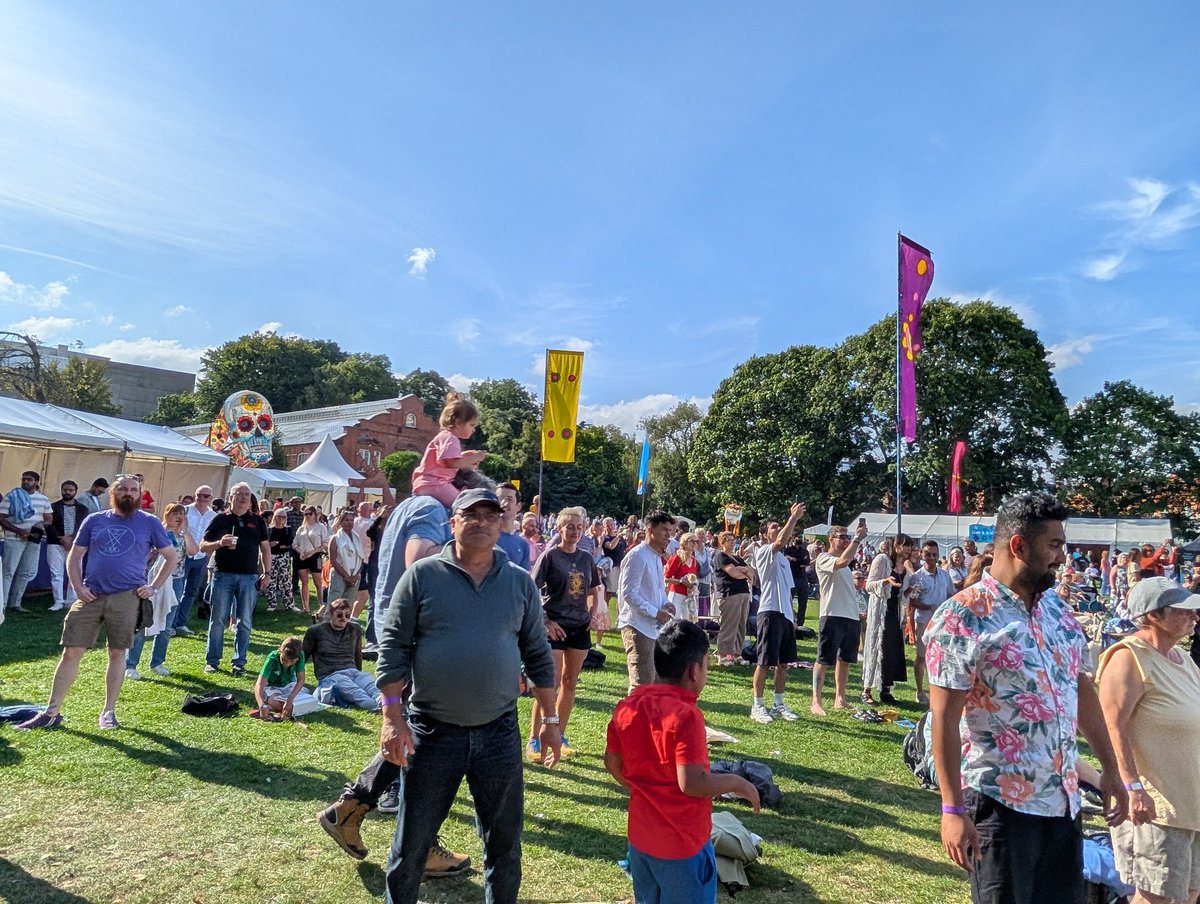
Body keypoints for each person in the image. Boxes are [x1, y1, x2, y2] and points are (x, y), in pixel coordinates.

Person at [925, 491, 1127, 903]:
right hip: (1001, 805)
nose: (1061, 557)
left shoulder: (1056, 608)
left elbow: (1081, 689)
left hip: (1062, 801)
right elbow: (944, 719)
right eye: (1054, 545)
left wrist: (1110, 769)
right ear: (1019, 545)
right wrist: (951, 810)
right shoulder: (962, 616)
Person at [373, 487, 562, 904]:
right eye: (470, 514)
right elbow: (394, 648)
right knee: (412, 842)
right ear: (452, 523)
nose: (480, 521)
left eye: (490, 515)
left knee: (505, 844)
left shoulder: (518, 583)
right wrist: (391, 716)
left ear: (502, 523)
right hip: (432, 731)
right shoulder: (422, 576)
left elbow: (537, 654)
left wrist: (550, 722)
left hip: (498, 733)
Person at [604, 620, 761, 904]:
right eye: (707, 664)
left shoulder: (627, 706)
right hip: (682, 844)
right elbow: (692, 783)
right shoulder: (686, 716)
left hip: (640, 841)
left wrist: (644, 789)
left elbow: (613, 763)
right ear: (694, 670)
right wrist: (738, 783)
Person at [15, 476, 177, 731]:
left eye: (133, 490)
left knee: (116, 653)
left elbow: (170, 557)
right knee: (71, 651)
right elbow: (75, 555)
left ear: (139, 494)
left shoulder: (150, 523)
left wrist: (153, 587)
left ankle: (108, 712)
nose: (128, 493)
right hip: (92, 595)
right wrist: (78, 587)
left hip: (127, 596)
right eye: (122, 488)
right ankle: (51, 712)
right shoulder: (95, 520)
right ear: (113, 492)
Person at [1097, 577, 1200, 904]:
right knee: (1154, 895)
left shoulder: (1183, 660)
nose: (1194, 617)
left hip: (1190, 802)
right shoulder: (1129, 657)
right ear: (1154, 615)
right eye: (1185, 612)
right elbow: (1112, 725)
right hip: (1155, 804)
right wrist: (1132, 787)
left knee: (1188, 893)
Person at [527, 506, 605, 762]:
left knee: (570, 682)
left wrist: (594, 614)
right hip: (555, 626)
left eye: (578, 527)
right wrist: (546, 620)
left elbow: (595, 588)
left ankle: (559, 734)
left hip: (579, 626)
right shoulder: (549, 556)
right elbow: (531, 591)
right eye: (569, 526)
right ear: (559, 528)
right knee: (548, 684)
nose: (574, 531)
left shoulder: (586, 557)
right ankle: (535, 739)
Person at [201, 482, 270, 677]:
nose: (243, 497)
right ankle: (212, 661)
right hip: (223, 575)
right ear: (231, 497)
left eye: (247, 494)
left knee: (245, 621)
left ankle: (239, 662)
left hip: (249, 577)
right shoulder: (220, 520)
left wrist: (267, 573)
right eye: (239, 494)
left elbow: (265, 549)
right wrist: (219, 543)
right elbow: (202, 546)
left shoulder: (257, 521)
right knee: (217, 620)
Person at [749, 502, 806, 724]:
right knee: (764, 662)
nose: (778, 528)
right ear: (764, 535)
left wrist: (791, 617)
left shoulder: (782, 559)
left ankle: (778, 704)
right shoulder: (764, 551)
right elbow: (781, 540)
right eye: (773, 527)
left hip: (784, 615)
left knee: (783, 663)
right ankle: (758, 706)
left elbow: (789, 590)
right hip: (769, 611)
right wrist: (793, 518)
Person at [126, 503, 196, 679]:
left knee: (167, 623)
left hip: (176, 582)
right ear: (166, 515)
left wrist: (186, 531)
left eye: (182, 513)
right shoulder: (157, 533)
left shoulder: (183, 535)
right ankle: (131, 665)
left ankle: (157, 662)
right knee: (143, 622)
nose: (178, 516)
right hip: (151, 581)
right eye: (175, 513)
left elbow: (194, 551)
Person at [811, 522, 868, 716]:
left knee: (845, 660)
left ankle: (840, 698)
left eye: (847, 537)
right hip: (832, 614)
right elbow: (842, 561)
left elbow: (845, 561)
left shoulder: (846, 563)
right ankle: (816, 701)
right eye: (842, 537)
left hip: (850, 616)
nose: (846, 540)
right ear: (831, 539)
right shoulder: (824, 559)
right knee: (824, 659)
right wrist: (858, 539)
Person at [617, 510, 677, 690]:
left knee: (656, 680)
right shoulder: (637, 555)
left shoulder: (656, 557)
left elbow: (656, 590)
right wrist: (655, 612)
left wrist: (666, 603)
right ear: (650, 530)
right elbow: (629, 593)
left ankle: (651, 718)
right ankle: (631, 718)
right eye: (664, 530)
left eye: (670, 530)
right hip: (637, 626)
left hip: (654, 627)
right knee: (642, 682)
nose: (669, 534)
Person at [862, 534, 915, 707]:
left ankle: (886, 690)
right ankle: (866, 690)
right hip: (880, 612)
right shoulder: (882, 560)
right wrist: (884, 581)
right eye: (906, 546)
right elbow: (869, 585)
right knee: (876, 647)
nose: (909, 550)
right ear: (896, 545)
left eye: (911, 547)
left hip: (894, 613)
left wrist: (909, 591)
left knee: (891, 650)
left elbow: (901, 595)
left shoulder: (905, 567)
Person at [410, 391, 488, 507]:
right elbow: (452, 463)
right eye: (471, 425)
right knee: (463, 504)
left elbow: (444, 461)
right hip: (436, 484)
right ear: (457, 422)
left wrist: (465, 456)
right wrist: (474, 458)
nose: (473, 430)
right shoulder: (451, 438)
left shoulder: (445, 436)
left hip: (426, 483)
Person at [304, 598, 379, 710]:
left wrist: (358, 672)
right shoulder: (316, 631)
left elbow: (357, 654)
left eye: (347, 615)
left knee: (374, 687)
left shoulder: (354, 629)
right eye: (339, 615)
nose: (343, 619)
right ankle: (378, 709)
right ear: (330, 614)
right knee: (359, 694)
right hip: (330, 675)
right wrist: (294, 679)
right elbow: (303, 656)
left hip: (353, 672)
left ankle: (387, 705)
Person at [908, 540, 956, 707]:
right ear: (922, 554)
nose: (931, 558)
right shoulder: (917, 577)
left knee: (941, 658)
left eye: (934, 554)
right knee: (921, 657)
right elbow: (912, 602)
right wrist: (929, 606)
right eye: (928, 554)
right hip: (924, 621)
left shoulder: (945, 574)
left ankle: (937, 692)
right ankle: (920, 691)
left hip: (942, 624)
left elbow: (951, 595)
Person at [0, 470, 53, 615]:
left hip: (33, 538)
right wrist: (19, 531)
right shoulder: (11, 497)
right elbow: (1, 518)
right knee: (8, 572)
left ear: (36, 482)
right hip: (14, 538)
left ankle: (15, 603)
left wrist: (40, 525)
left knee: (26, 572)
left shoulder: (43, 499)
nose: (25, 482)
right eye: (23, 479)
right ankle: (2, 604)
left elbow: (49, 519)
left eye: (29, 479)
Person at [172, 485, 217, 636]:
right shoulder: (185, 510)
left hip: (201, 557)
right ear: (195, 495)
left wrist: (209, 553)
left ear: (211, 498)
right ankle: (170, 623)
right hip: (183, 556)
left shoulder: (213, 516)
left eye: (206, 496)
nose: (202, 499)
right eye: (199, 495)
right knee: (177, 590)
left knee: (191, 591)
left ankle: (181, 623)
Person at [46, 480, 90, 612]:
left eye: (70, 490)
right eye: (65, 490)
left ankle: (71, 600)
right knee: (56, 573)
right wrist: (61, 538)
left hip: (76, 545)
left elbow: (84, 526)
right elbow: (49, 524)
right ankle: (58, 601)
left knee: (74, 572)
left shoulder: (83, 509)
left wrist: (73, 539)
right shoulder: (53, 507)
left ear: (75, 492)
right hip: (55, 543)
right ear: (61, 490)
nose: (67, 492)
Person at [712, 531, 752, 667]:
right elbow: (733, 573)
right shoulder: (720, 556)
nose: (732, 542)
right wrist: (743, 572)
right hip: (729, 594)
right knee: (729, 625)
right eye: (728, 540)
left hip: (743, 593)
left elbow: (751, 572)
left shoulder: (737, 558)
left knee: (741, 625)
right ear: (722, 542)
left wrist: (743, 570)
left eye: (733, 539)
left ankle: (737, 654)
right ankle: (723, 655)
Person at [254, 636, 307, 720]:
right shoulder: (272, 658)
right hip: (272, 687)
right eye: (284, 659)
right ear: (280, 651)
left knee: (306, 699)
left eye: (292, 662)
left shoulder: (301, 655)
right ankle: (269, 704)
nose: (287, 664)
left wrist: (290, 700)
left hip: (289, 684)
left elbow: (301, 680)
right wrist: (261, 705)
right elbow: (259, 684)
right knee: (281, 704)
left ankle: (275, 707)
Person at [326, 510, 365, 618]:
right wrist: (346, 576)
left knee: (348, 605)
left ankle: (343, 627)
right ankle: (327, 628)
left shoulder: (357, 538)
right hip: (340, 573)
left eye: (352, 520)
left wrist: (356, 576)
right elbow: (333, 560)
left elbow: (361, 558)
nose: (349, 522)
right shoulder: (335, 539)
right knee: (334, 604)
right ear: (341, 522)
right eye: (347, 520)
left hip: (355, 574)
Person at [293, 504, 330, 616]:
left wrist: (312, 552)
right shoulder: (301, 528)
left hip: (314, 556)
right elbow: (295, 544)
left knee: (318, 583)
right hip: (302, 556)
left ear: (315, 515)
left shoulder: (320, 527)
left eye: (310, 514)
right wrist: (301, 552)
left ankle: (321, 606)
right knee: (304, 582)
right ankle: (306, 607)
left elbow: (324, 543)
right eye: (306, 514)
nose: (308, 516)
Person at [664, 532, 700, 623]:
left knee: (688, 623)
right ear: (684, 543)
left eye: (696, 541)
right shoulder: (677, 558)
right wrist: (681, 581)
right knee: (674, 622)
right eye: (692, 541)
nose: (694, 543)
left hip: (688, 596)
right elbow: (666, 578)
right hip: (676, 594)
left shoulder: (694, 561)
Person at [494, 482, 531, 570]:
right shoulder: (485, 536)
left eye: (509, 499)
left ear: (518, 506)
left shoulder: (522, 544)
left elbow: (523, 579)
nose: (503, 503)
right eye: (499, 498)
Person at [265, 508, 295, 612]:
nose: (281, 519)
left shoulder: (288, 529)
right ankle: (272, 603)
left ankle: (289, 604)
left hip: (284, 557)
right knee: (271, 580)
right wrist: (272, 545)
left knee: (285, 580)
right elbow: (266, 544)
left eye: (283, 517)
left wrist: (279, 545)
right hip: (272, 556)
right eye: (279, 517)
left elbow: (290, 543)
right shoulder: (269, 530)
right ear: (275, 517)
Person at [781, 534, 812, 626]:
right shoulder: (788, 550)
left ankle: (800, 623)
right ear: (794, 539)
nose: (800, 540)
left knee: (803, 602)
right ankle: (789, 621)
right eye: (798, 537)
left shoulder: (804, 551)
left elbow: (807, 562)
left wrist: (794, 559)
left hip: (803, 577)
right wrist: (799, 560)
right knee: (789, 600)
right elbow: (788, 561)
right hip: (791, 577)